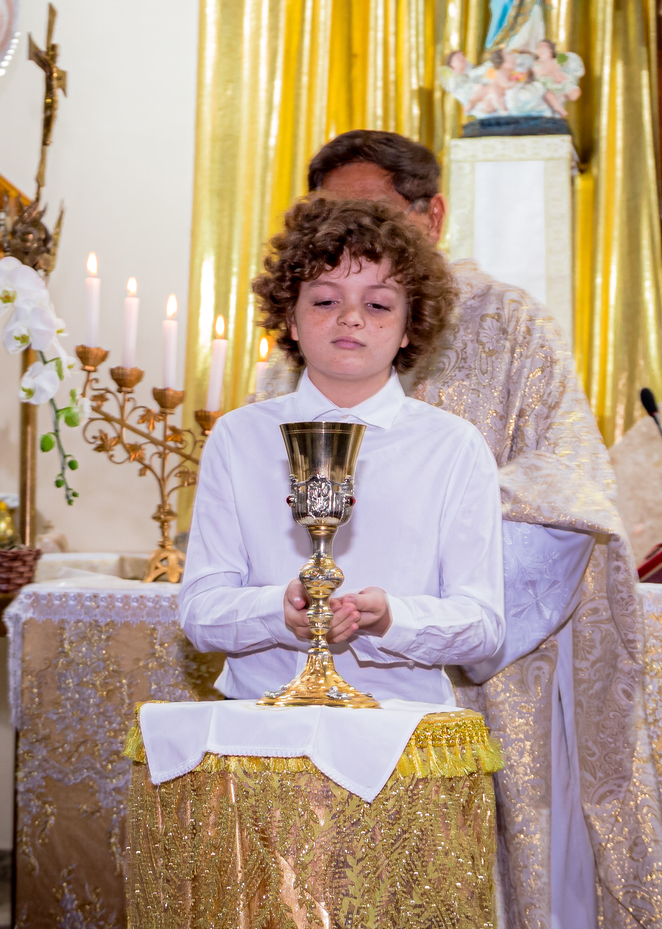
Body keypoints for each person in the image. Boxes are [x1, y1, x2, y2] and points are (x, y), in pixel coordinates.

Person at [260, 130, 662, 929]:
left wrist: (430, 554)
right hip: (331, 679)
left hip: (486, 681)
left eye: (375, 216)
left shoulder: (508, 323)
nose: (351, 249)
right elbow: (267, 498)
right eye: (327, 221)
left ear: (431, 215)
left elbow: (571, 483)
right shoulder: (298, 345)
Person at [180, 196, 505, 710]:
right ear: (290, 319)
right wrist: (277, 611)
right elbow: (200, 612)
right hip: (261, 722)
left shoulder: (453, 446)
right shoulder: (238, 437)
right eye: (326, 301)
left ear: (409, 327)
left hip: (400, 724)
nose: (351, 318)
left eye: (378, 305)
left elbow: (483, 625)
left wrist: (393, 619)